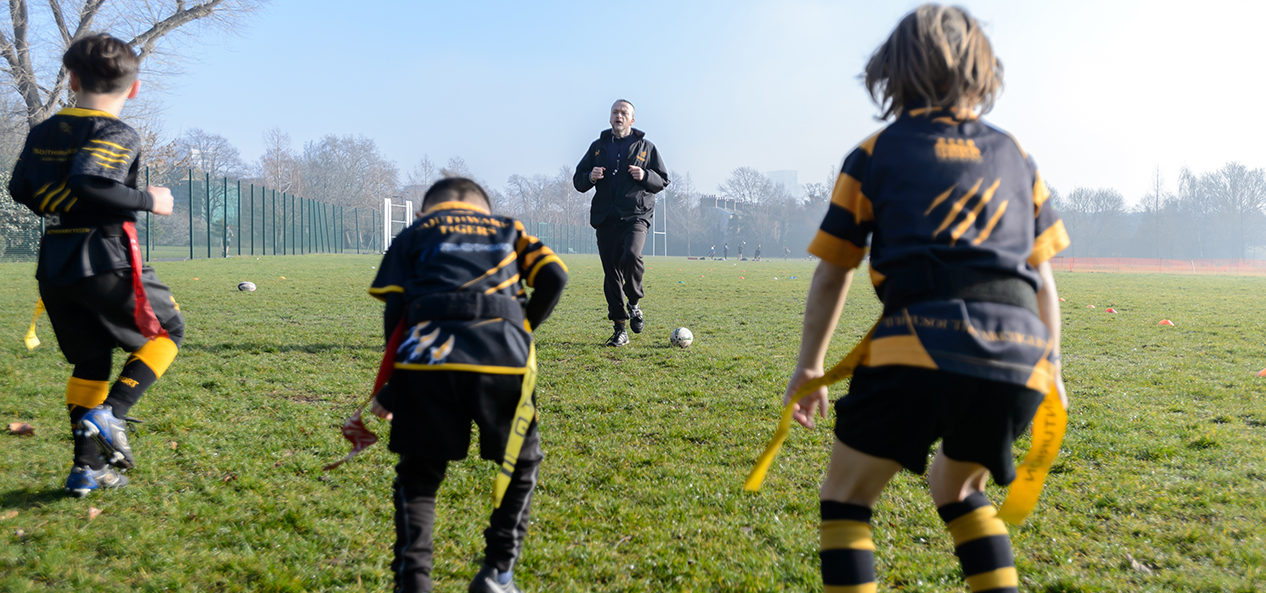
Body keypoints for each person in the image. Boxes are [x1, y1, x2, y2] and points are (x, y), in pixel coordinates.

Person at [782, 6, 1070, 592]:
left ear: (893, 70)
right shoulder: (1017, 155)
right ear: (982, 70)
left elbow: (835, 271)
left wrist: (811, 366)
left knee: (845, 496)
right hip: (1020, 358)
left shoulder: (874, 152)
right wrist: (1054, 369)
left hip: (917, 347)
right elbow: (1042, 279)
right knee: (958, 487)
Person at [368, 178, 568, 593]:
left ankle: (413, 583)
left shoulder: (413, 234)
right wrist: (522, 325)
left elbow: (397, 313)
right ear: (486, 211)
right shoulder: (508, 229)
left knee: (420, 476)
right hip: (504, 358)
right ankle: (498, 571)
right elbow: (555, 275)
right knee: (520, 462)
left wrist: (391, 386)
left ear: (425, 212)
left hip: (427, 358)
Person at [8, 34, 182, 497]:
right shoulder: (116, 130)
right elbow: (91, 180)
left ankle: (86, 470)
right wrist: (152, 201)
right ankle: (112, 412)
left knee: (91, 359)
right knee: (167, 333)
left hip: (57, 263)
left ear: (72, 79)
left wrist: (61, 200)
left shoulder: (44, 129)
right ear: (135, 87)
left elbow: (19, 187)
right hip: (105, 254)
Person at [573, 100, 668, 347]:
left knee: (632, 255)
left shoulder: (646, 147)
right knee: (611, 275)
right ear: (610, 117)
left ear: (632, 120)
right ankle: (619, 329)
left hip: (636, 215)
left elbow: (663, 180)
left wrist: (645, 175)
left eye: (624, 113)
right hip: (606, 218)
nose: (619, 116)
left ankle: (634, 302)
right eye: (615, 112)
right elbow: (578, 180)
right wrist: (590, 176)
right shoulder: (597, 148)